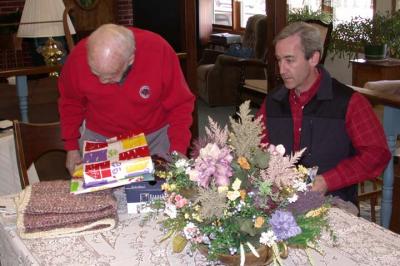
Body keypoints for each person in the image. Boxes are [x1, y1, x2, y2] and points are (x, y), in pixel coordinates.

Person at [257, 22, 391, 205]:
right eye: (279, 60)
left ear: (313, 58)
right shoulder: (273, 102)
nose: (281, 70)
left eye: (289, 60)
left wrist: (328, 180)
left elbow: (377, 154)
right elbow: (256, 146)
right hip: (280, 198)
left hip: (334, 201)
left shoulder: (349, 102)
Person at [58, 24, 195, 176]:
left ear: (130, 59)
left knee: (162, 192)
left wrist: (178, 150)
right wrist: (71, 147)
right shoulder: (77, 57)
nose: (102, 81)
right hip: (102, 138)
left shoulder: (158, 50)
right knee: (98, 196)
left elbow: (180, 105)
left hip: (154, 136)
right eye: (96, 72)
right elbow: (70, 104)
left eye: (110, 75)